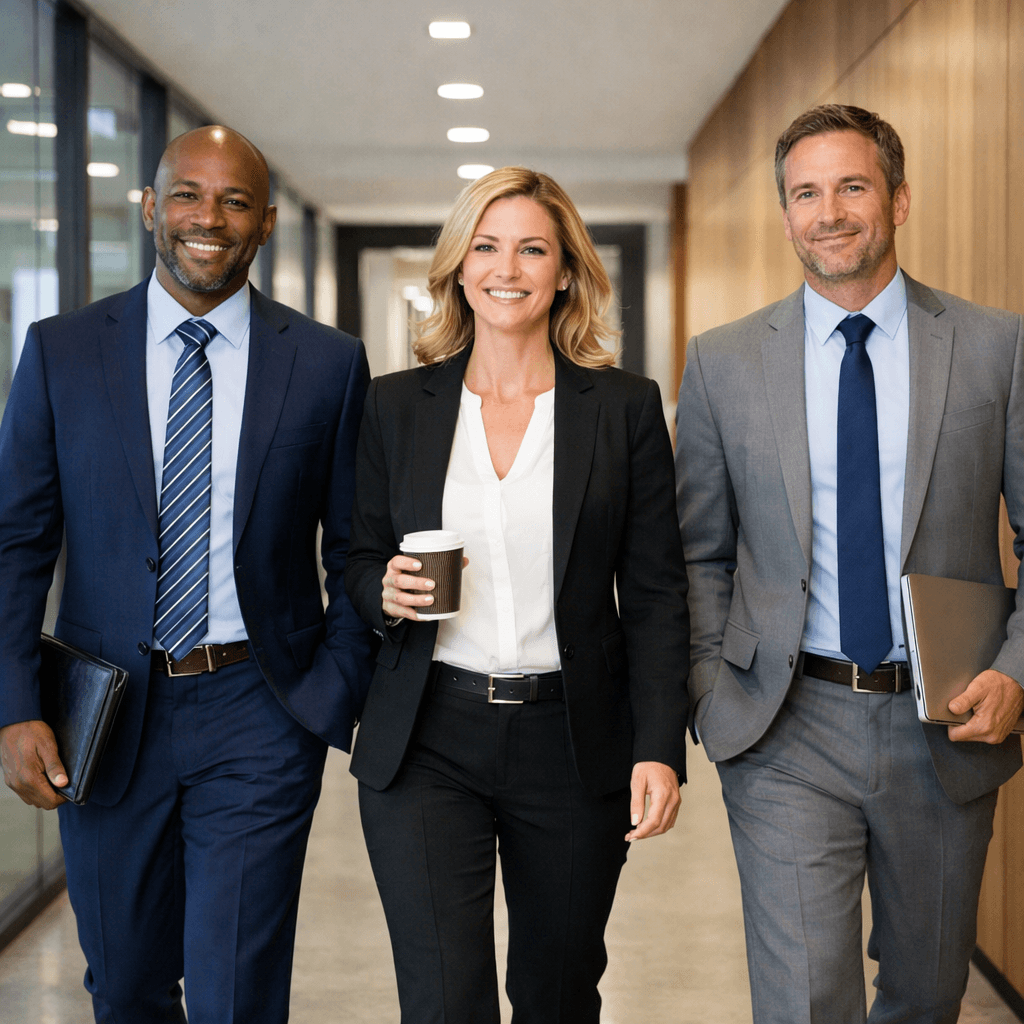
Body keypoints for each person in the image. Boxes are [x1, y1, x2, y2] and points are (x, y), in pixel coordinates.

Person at [0, 126, 373, 1022]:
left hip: (260, 711)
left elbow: (356, 545)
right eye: (187, 195)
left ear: (265, 223)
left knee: (235, 993)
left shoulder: (327, 363)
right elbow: (16, 543)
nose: (209, 217)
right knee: (125, 984)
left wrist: (332, 690)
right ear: (149, 208)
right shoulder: (62, 351)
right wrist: (13, 706)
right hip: (104, 713)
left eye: (235, 201)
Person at [675, 103, 1024, 1024]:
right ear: (785, 213)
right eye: (805, 193)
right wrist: (712, 690)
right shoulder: (723, 363)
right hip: (785, 725)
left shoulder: (996, 347)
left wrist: (1016, 672)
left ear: (898, 200)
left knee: (926, 994)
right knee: (803, 1001)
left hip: (944, 723)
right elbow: (699, 551)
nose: (827, 212)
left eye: (851, 187)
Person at [345, 166, 690, 1023]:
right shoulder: (395, 406)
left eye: (533, 249)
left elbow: (656, 594)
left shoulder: (624, 408)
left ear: (565, 271)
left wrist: (659, 746)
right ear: (459, 268)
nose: (507, 268)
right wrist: (380, 588)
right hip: (427, 734)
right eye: (487, 247)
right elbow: (352, 558)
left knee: (557, 995)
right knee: (442, 1000)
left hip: (571, 738)